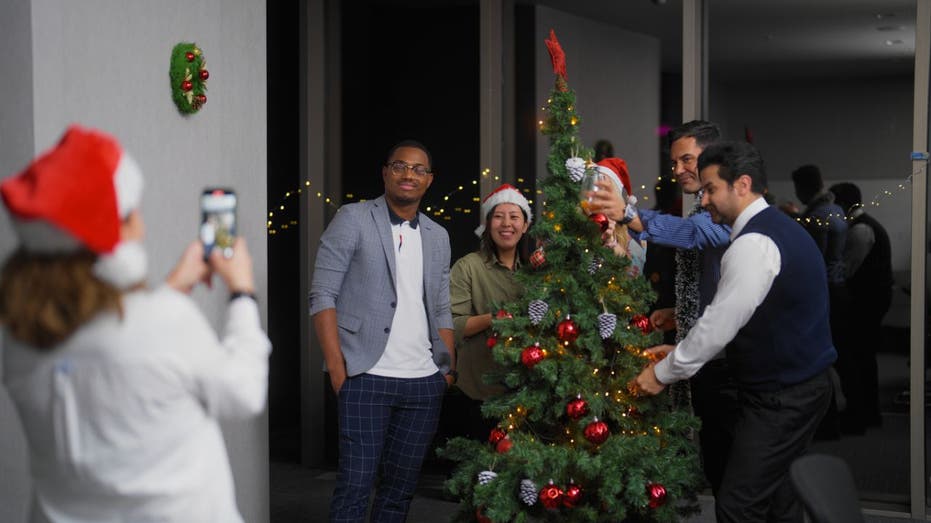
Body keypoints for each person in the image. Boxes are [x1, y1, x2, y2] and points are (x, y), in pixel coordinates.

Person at [0, 125, 270, 523]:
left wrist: (174, 287)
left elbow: (123, 346)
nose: (141, 228)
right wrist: (242, 293)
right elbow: (244, 392)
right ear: (112, 235)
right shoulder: (167, 323)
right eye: (132, 215)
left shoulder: (19, 340)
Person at [633, 141, 837, 522]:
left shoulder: (754, 244)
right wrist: (678, 348)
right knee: (780, 495)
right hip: (803, 385)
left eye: (711, 189)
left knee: (738, 504)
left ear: (741, 185)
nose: (704, 199)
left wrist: (663, 373)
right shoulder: (778, 226)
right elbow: (746, 311)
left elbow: (718, 325)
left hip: (782, 397)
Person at [586, 121, 738, 499]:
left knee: (734, 475)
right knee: (719, 464)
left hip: (729, 364)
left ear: (712, 157)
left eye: (687, 159)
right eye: (674, 163)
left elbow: (696, 234)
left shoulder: (726, 210)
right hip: (705, 353)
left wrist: (631, 215)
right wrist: (678, 313)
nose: (679, 170)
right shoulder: (702, 206)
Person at [309, 139, 455, 522]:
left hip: (423, 381)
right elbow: (322, 295)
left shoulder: (438, 235)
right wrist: (338, 370)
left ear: (429, 180)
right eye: (400, 166)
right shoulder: (354, 218)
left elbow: (441, 306)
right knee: (355, 488)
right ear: (386, 172)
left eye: (418, 169)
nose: (409, 174)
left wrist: (446, 370)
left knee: (399, 493)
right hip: (364, 375)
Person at [448, 184, 531, 439]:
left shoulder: (534, 272)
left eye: (514, 216)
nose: (507, 224)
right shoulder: (468, 267)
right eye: (498, 216)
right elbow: (453, 325)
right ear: (487, 223)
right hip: (477, 394)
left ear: (525, 226)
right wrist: (496, 318)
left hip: (524, 394)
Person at [830, 182, 892, 431]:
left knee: (856, 359)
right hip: (870, 301)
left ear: (844, 203)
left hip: (865, 304)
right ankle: (867, 412)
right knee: (862, 358)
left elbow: (845, 270)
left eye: (835, 203)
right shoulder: (861, 225)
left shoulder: (861, 230)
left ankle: (861, 414)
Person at [594, 157, 646, 274]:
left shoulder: (634, 230)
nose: (600, 196)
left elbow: (634, 276)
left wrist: (612, 243)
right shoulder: (582, 223)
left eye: (606, 190)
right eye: (596, 189)